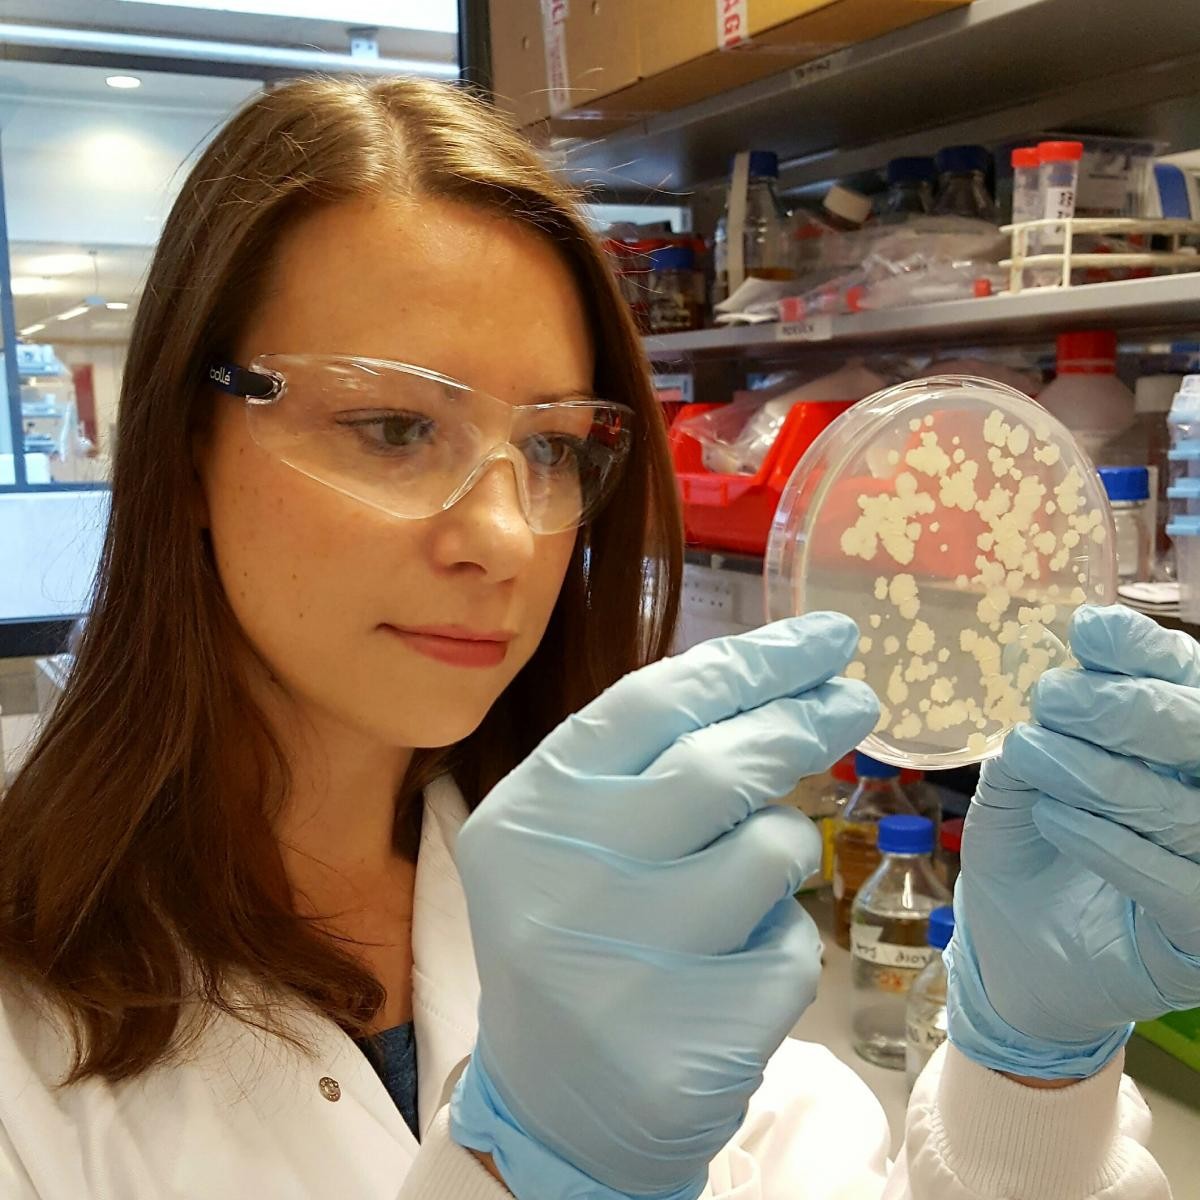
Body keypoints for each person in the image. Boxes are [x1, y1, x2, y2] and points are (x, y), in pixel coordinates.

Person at [0, 76, 1195, 1200]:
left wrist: (1030, 1069)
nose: (511, 539)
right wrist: (526, 1173)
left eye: (556, 446)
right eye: (392, 427)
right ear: (184, 444)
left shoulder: (647, 905)